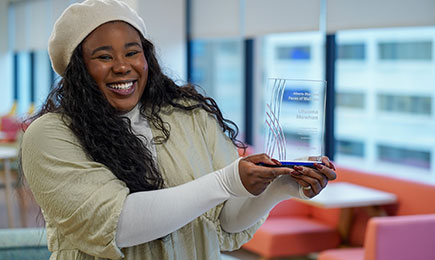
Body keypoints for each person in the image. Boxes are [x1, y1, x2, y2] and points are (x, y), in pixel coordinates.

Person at [20, 0, 336, 259]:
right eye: (104, 56)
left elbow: (226, 222)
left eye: (132, 52)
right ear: (78, 69)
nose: (122, 66)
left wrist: (281, 187)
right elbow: (116, 225)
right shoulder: (52, 134)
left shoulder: (190, 116)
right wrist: (227, 180)